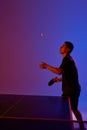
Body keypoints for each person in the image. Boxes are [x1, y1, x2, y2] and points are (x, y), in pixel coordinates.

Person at [39, 41, 85, 130]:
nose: (61, 47)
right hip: (73, 89)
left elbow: (59, 71)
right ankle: (82, 127)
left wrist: (46, 66)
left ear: (67, 49)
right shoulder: (68, 59)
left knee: (65, 110)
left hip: (71, 90)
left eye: (63, 46)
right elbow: (70, 75)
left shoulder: (67, 59)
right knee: (74, 109)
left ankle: (70, 127)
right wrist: (59, 80)